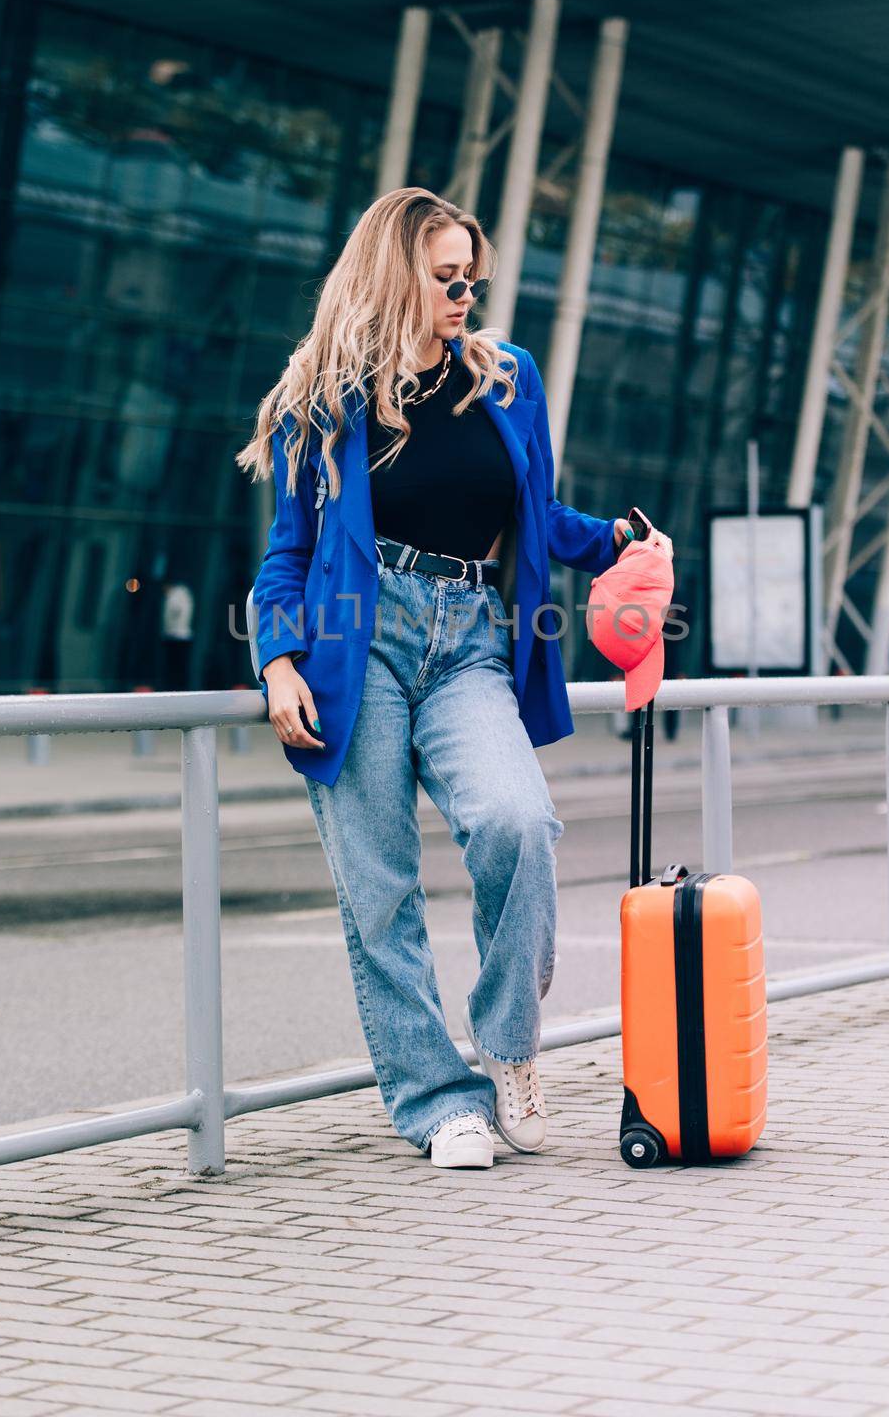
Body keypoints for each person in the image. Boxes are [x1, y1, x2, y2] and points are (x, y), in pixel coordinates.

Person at [236, 187, 673, 1169]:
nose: (466, 292)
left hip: (471, 634)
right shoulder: (327, 392)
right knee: (380, 890)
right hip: (359, 641)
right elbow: (287, 554)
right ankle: (438, 1102)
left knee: (519, 823)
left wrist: (613, 542)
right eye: (446, 277)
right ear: (395, 276)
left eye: (472, 274)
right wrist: (275, 661)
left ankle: (509, 1051)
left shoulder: (506, 380)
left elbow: (538, 516)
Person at [160, 579, 194, 691]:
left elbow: (175, 610)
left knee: (175, 665)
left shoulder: (176, 594)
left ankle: (175, 687)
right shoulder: (185, 593)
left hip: (176, 635)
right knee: (179, 666)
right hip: (181, 635)